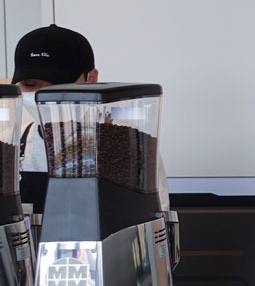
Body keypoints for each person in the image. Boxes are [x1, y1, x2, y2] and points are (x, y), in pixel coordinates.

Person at [11, 24, 170, 213]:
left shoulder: (129, 144)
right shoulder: (10, 145)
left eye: (58, 85)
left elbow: (155, 218)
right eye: (31, 85)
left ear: (91, 78)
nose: (43, 95)